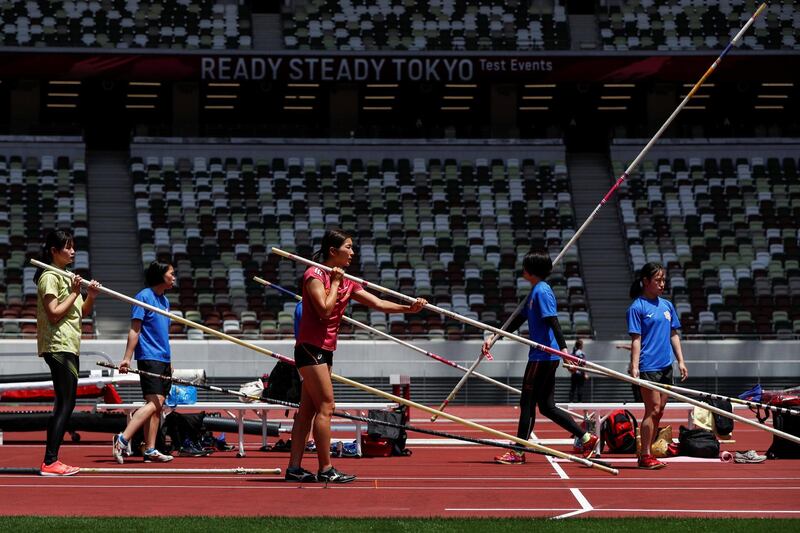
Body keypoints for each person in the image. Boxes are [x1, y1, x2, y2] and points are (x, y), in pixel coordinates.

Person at [285, 228, 427, 483]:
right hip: (310, 349)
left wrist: (410, 308)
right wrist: (337, 282)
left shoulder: (348, 281)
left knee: (307, 411)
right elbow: (325, 311)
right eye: (348, 247)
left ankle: (294, 468)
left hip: (326, 351)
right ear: (333, 251)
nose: (352, 252)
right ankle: (326, 469)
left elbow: (379, 304)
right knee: (327, 407)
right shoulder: (314, 275)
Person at [484, 251, 598, 465]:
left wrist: (565, 351)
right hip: (543, 356)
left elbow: (553, 321)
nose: (522, 269)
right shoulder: (534, 292)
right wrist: (494, 337)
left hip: (543, 356)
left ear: (531, 270)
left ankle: (518, 451)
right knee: (546, 406)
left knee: (526, 402)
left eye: (525, 266)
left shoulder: (542, 291)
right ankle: (586, 438)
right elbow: (517, 321)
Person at [35, 229, 100, 476]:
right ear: (54, 251)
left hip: (69, 344)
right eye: (68, 247)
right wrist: (74, 291)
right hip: (58, 344)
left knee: (65, 401)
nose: (73, 251)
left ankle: (51, 460)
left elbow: (79, 311)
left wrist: (90, 296)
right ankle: (50, 461)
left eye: (73, 246)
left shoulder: (67, 275)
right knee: (66, 402)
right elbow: (53, 312)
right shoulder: (50, 276)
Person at [113, 261, 176, 463]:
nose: (174, 277)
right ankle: (122, 440)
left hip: (163, 358)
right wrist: (127, 358)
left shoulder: (165, 301)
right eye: (171, 274)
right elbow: (135, 330)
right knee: (153, 403)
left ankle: (150, 449)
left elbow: (163, 334)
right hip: (149, 357)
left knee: (158, 405)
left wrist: (169, 359)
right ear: (161, 275)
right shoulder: (143, 297)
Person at [627, 262, 688, 470]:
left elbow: (673, 334)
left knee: (660, 411)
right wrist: (634, 366)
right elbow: (636, 339)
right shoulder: (637, 307)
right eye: (658, 280)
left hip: (666, 366)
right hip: (648, 366)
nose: (662, 284)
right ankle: (644, 455)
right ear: (645, 281)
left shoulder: (667, 306)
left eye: (664, 280)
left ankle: (648, 450)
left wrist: (680, 361)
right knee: (651, 409)